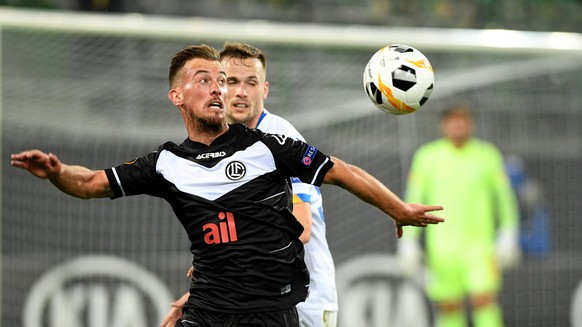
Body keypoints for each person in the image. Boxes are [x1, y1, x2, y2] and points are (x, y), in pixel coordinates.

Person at [11, 44, 444, 327]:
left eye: (227, 80)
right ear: (177, 96)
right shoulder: (164, 163)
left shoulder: (271, 144)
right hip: (209, 312)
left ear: (264, 89)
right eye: (209, 79)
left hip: (281, 306)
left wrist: (397, 208)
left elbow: (338, 174)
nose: (221, 88)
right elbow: (88, 182)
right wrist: (55, 171)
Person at [160, 41, 339, 327]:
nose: (241, 92)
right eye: (231, 81)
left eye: (251, 83)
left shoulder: (279, 138)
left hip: (302, 301)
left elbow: (301, 229)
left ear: (264, 89)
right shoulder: (229, 145)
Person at [397, 105, 520, 327]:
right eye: (453, 121)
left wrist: (509, 231)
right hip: (442, 250)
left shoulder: (487, 155)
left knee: (485, 302)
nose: (459, 126)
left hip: (480, 248)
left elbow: (505, 198)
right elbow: (413, 201)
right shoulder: (427, 156)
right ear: (443, 125)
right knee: (449, 307)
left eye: (463, 120)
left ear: (470, 124)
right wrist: (408, 241)